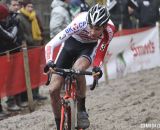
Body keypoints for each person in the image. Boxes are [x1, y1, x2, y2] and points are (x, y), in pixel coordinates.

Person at [44, 4, 116, 130]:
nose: (93, 32)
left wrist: (96, 67)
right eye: (91, 27)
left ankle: (81, 109)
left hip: (88, 48)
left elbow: (101, 52)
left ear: (104, 26)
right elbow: (50, 45)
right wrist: (49, 61)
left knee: (78, 70)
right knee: (53, 90)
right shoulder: (80, 23)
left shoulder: (110, 30)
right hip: (70, 45)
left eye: (97, 28)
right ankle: (58, 124)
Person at [17, 0, 47, 102]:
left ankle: (36, 93)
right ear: (24, 7)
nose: (31, 8)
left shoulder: (34, 16)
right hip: (27, 49)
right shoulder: (20, 18)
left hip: (37, 47)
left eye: (31, 7)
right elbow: (22, 34)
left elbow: (41, 29)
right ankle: (26, 96)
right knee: (26, 73)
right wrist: (30, 41)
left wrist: (41, 41)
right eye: (29, 7)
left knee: (36, 72)